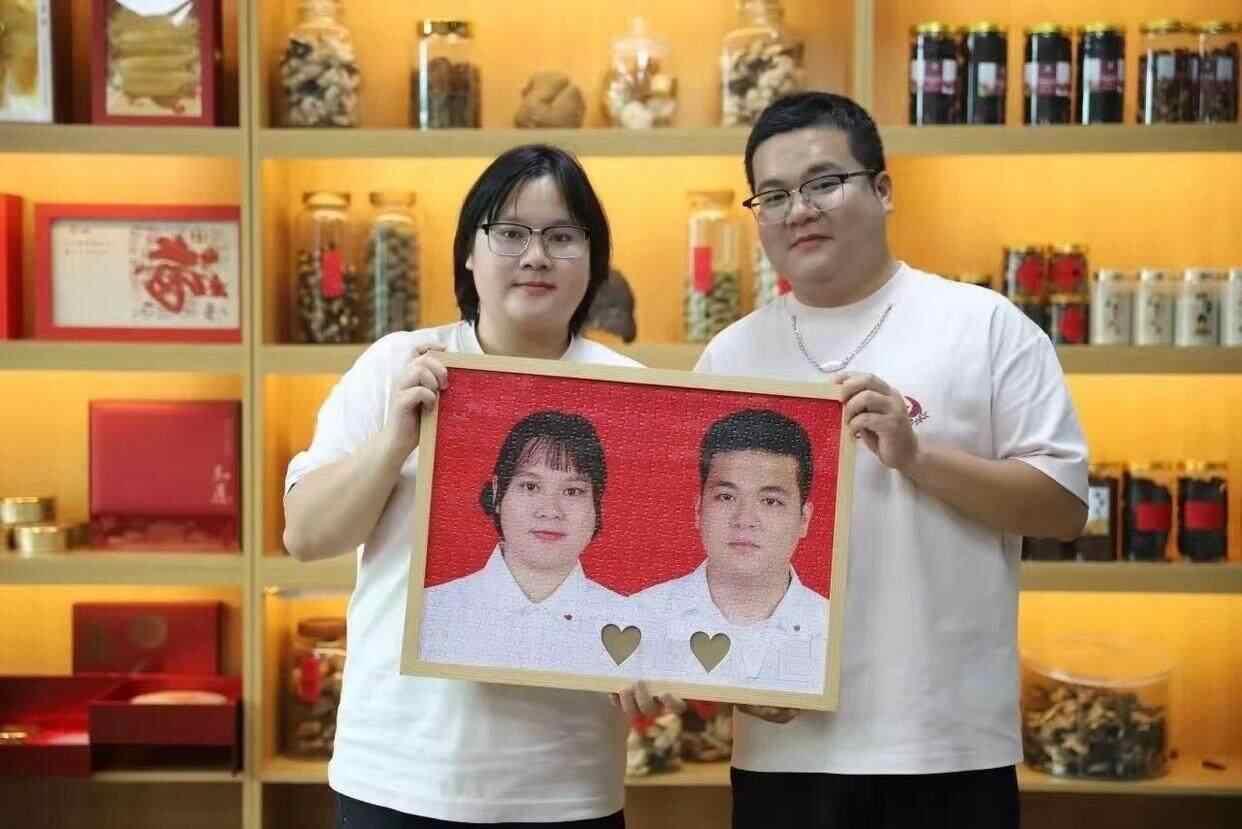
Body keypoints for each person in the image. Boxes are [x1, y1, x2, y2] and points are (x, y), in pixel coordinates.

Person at [618, 92, 1088, 828]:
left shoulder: (985, 325)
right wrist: (711, 672)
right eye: (774, 195)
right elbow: (696, 546)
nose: (798, 210)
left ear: (884, 188)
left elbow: (1062, 507)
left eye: (824, 183)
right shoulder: (732, 354)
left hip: (945, 749)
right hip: (783, 754)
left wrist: (917, 457)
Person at [282, 144, 641, 828]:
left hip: (566, 786)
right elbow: (306, 535)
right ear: (469, 254)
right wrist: (395, 440)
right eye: (510, 232)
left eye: (562, 236)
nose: (536, 256)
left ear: (593, 259)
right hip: (397, 777)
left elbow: (650, 577)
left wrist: (658, 660)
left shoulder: (631, 393)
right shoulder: (399, 364)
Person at [418, 409, 633, 676]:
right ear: (498, 491)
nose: (550, 510)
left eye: (572, 491)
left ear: (596, 505)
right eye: (530, 486)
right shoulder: (430, 611)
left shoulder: (634, 622)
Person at [632, 408, 828, 694]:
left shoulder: (835, 631)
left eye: (770, 501)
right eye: (726, 497)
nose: (745, 519)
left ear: (804, 519)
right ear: (698, 510)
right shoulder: (636, 616)